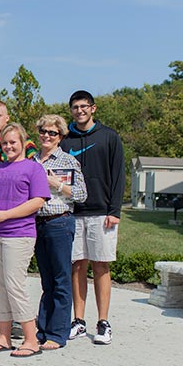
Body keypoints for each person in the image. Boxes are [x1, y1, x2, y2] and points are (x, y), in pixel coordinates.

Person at [58, 90, 125, 345]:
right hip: (74, 212)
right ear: (71, 110)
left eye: (84, 106)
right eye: (75, 107)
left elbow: (119, 176)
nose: (80, 111)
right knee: (77, 266)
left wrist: (114, 211)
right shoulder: (66, 141)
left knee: (101, 265)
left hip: (101, 213)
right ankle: (78, 320)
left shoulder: (109, 137)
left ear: (93, 108)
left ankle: (103, 322)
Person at [0, 123, 50, 357]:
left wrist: (6, 215)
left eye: (13, 143)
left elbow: (38, 201)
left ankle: (31, 339)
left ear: (23, 143)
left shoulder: (33, 168)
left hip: (18, 234)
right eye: (5, 143)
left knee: (14, 285)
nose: (9, 147)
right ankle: (4, 337)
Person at [32, 115, 87, 350]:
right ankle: (42, 329)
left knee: (61, 279)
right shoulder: (31, 161)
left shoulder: (68, 161)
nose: (47, 136)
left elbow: (82, 194)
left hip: (59, 223)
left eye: (52, 133)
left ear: (60, 136)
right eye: (43, 131)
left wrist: (59, 186)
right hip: (36, 223)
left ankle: (58, 333)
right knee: (46, 281)